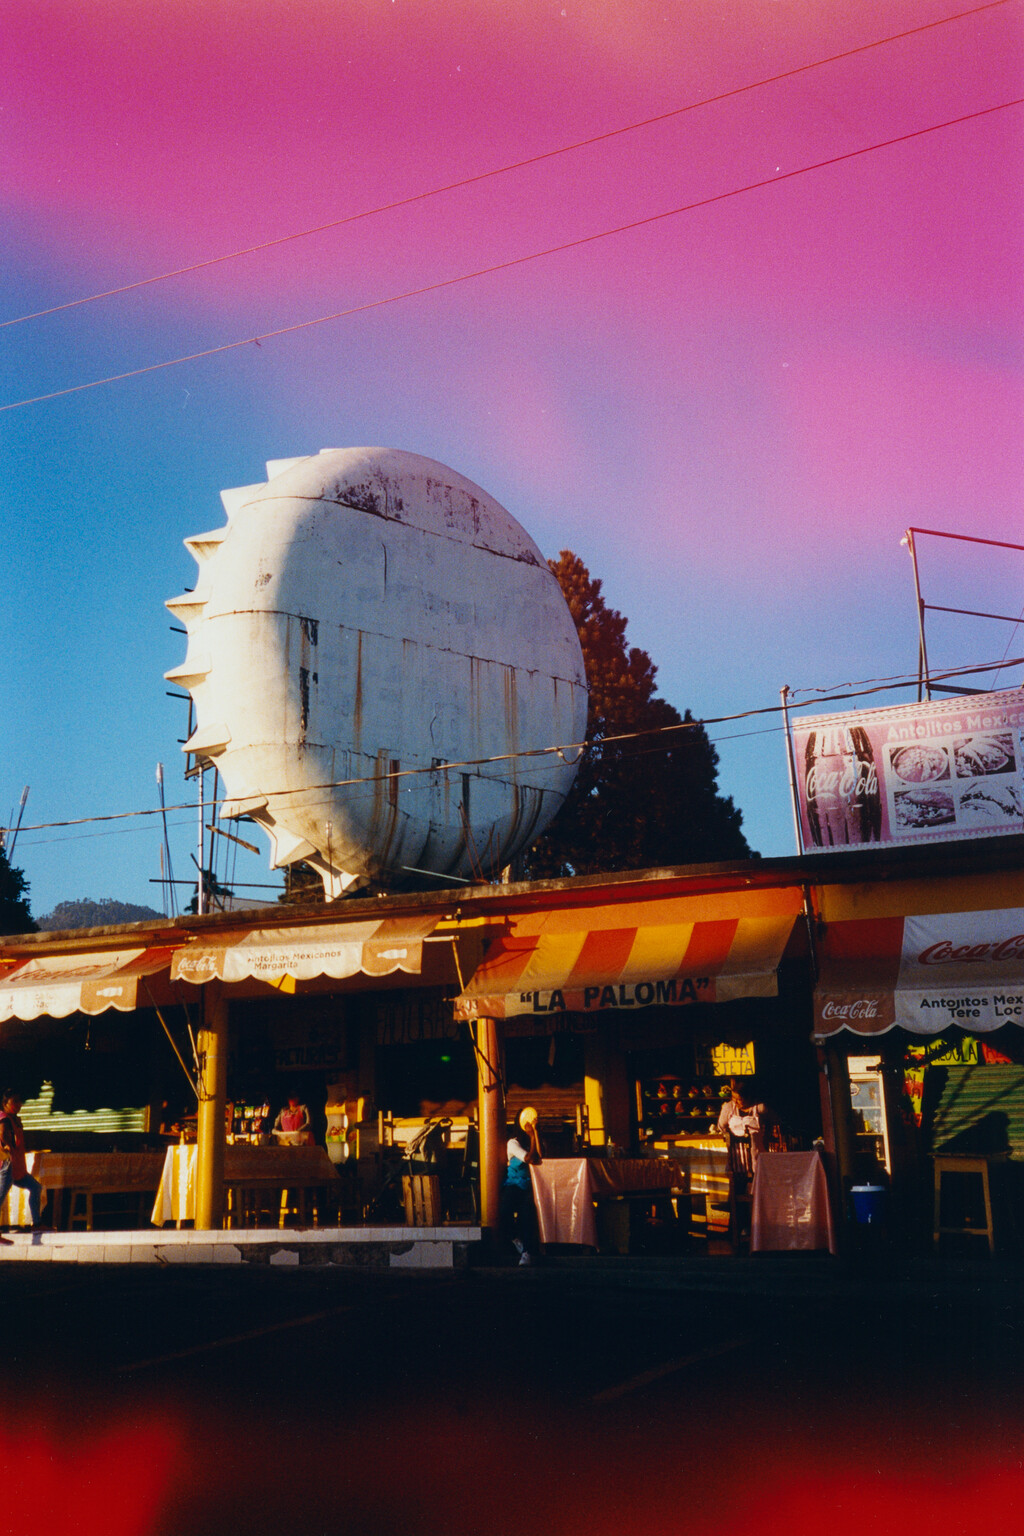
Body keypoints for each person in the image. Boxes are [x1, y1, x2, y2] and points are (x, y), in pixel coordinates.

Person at [499, 1107, 542, 1266]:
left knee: (527, 1214)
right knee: (505, 1211)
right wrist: (531, 1136)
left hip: (530, 1186)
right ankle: (514, 1239)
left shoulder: (533, 1140)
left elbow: (540, 1155)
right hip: (514, 1184)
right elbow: (530, 1158)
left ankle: (527, 1252)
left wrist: (536, 1135)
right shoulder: (513, 1143)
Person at [0, 1091, 44, 1235]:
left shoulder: (15, 1119)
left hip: (17, 1166)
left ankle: (37, 1224)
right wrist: (6, 1145)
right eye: (15, 1102)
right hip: (7, 1163)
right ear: (5, 1104)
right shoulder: (4, 1118)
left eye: (20, 1101)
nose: (18, 1105)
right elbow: (2, 1134)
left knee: (36, 1187)